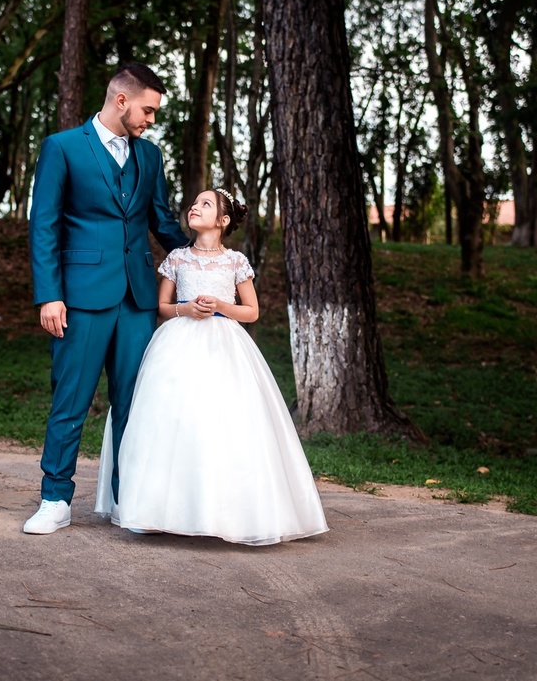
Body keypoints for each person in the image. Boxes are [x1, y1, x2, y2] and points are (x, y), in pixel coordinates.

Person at [94, 189, 329, 545]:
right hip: (176, 343)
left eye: (206, 204)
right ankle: (156, 510)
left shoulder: (235, 262)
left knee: (222, 420)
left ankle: (224, 511)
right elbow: (161, 305)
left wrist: (220, 305)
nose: (194, 207)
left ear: (222, 220)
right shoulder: (177, 258)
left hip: (225, 345)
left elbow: (251, 311)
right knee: (172, 420)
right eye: (194, 202)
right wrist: (185, 309)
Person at [24, 63, 187, 535]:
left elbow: (162, 221)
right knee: (70, 400)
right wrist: (49, 295)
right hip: (79, 299)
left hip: (137, 299)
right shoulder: (63, 147)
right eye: (148, 110)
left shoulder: (150, 157)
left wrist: (204, 258)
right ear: (121, 100)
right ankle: (55, 498)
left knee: (135, 403)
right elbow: (45, 226)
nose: (150, 120)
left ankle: (126, 500)